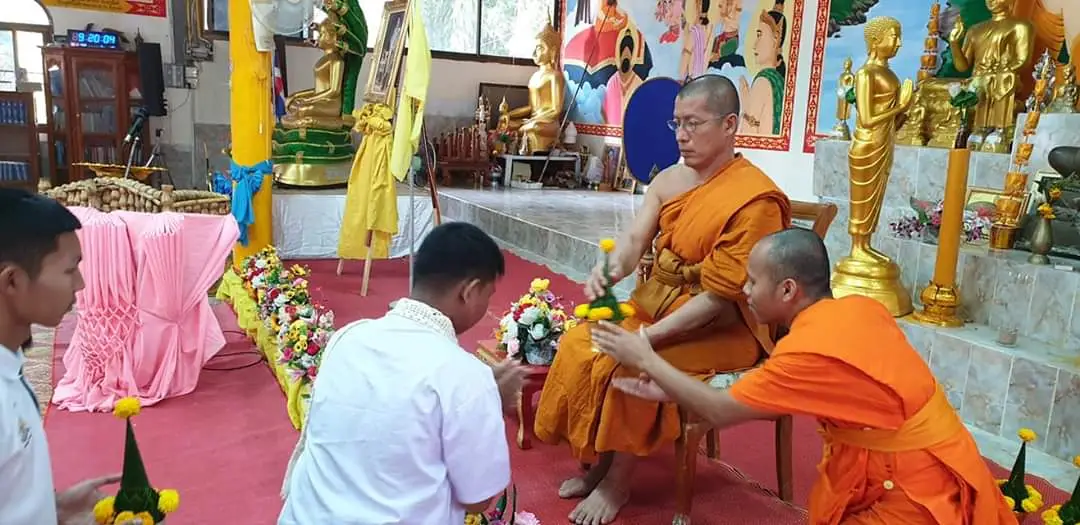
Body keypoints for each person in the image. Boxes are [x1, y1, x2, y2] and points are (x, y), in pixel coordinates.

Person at [592, 227, 1017, 525]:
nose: (744, 292)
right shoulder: (861, 308)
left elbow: (721, 410)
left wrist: (645, 357)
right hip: (922, 452)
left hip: (915, 485)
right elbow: (765, 395)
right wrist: (670, 387)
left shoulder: (807, 350)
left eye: (752, 282)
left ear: (788, 290)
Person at [534, 74, 791, 525]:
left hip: (725, 327)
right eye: (677, 123)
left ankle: (617, 483)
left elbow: (719, 298)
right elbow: (635, 241)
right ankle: (601, 463)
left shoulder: (755, 200)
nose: (681, 135)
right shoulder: (669, 180)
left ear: (730, 125)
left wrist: (646, 341)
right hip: (657, 305)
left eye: (694, 123)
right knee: (580, 343)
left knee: (636, 364)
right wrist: (609, 270)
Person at [279, 222, 526, 525]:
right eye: (488, 295)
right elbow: (477, 500)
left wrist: (480, 395)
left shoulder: (349, 337)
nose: (487, 305)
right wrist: (490, 404)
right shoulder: (465, 375)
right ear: (470, 291)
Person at [0, 188, 141, 525]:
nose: (80, 284)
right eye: (69, 270)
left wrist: (53, 509)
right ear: (12, 281)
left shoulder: (10, 364)